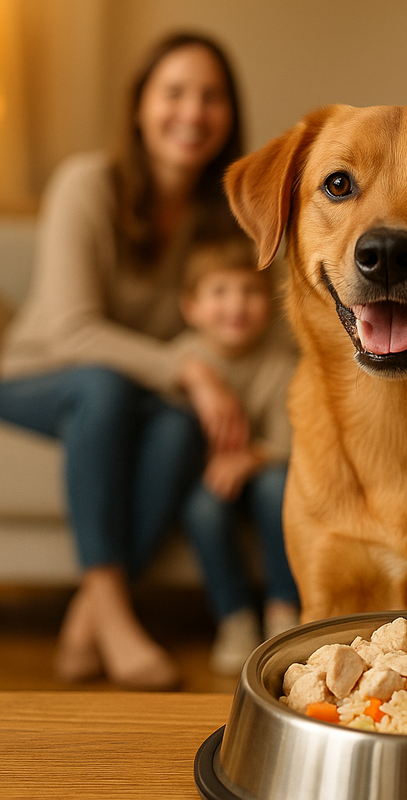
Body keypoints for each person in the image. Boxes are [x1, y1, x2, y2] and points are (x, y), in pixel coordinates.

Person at [0, 32, 251, 690]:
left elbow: (235, 330)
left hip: (132, 391)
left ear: (229, 114)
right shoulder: (87, 183)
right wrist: (191, 371)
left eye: (211, 97)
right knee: (105, 387)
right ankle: (112, 613)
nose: (192, 113)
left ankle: (85, 619)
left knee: (175, 423)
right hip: (32, 374)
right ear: (139, 106)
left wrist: (219, 397)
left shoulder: (223, 217)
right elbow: (73, 330)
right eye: (173, 93)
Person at [174, 238, 300, 675]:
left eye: (250, 292)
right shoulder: (183, 357)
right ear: (191, 307)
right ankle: (235, 619)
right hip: (209, 478)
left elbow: (288, 441)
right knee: (202, 510)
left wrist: (248, 458)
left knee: (278, 488)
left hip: (263, 471)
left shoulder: (281, 363)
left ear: (270, 303)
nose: (236, 305)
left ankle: (285, 613)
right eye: (220, 292)